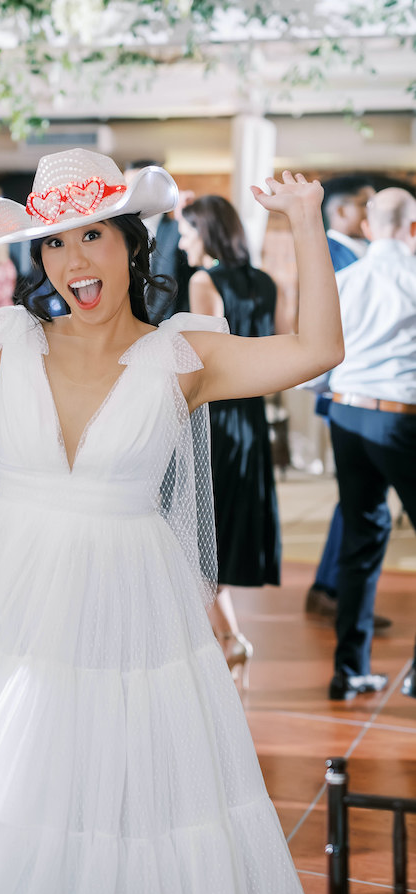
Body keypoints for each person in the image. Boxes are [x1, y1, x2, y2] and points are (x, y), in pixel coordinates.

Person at [0, 146, 341, 894]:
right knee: (9, 792)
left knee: (129, 799)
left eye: (91, 235)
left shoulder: (184, 354)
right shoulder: (6, 340)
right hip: (12, 605)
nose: (72, 258)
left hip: (131, 608)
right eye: (54, 241)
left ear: (131, 243)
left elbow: (317, 351)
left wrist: (307, 221)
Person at [177, 195, 281, 687]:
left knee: (196, 531)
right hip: (253, 416)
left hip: (216, 417)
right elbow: (275, 347)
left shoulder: (203, 281)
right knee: (216, 529)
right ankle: (229, 639)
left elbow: (206, 357)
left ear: (207, 233)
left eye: (187, 231)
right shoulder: (265, 282)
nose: (181, 241)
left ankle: (224, 641)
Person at [326, 187, 416, 700]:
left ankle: (350, 669)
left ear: (367, 226)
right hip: (401, 418)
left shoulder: (345, 278)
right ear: (413, 229)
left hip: (346, 411)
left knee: (360, 539)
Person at [304, 175, 383, 624]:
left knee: (356, 496)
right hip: (346, 390)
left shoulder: (361, 255)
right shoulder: (334, 258)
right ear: (339, 213)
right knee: (356, 497)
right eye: (363, 205)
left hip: (360, 391)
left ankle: (334, 586)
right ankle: (332, 586)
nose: (369, 214)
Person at [124, 158, 192, 323]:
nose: (128, 194)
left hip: (174, 326)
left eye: (135, 186)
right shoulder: (122, 234)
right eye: (126, 187)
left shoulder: (179, 231)